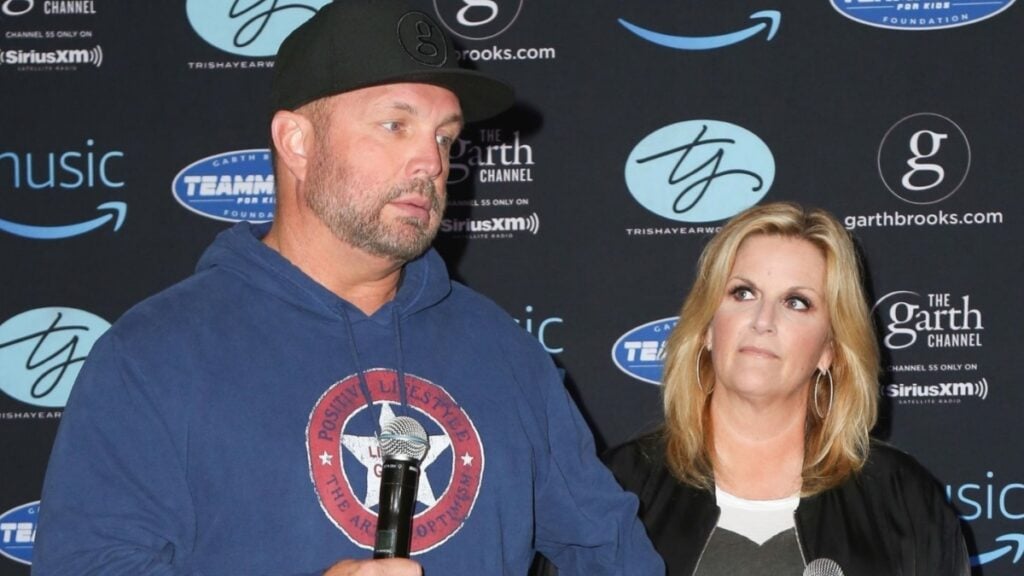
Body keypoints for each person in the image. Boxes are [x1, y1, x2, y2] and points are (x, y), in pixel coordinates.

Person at [32, 1, 663, 575]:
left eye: (445, 136)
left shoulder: (506, 353)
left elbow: (614, 557)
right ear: (297, 142)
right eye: (396, 126)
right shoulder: (154, 354)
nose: (433, 163)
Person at [602, 202, 970, 575]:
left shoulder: (902, 501)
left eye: (797, 302)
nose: (763, 321)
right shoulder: (614, 490)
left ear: (830, 349)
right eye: (743, 293)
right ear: (707, 327)